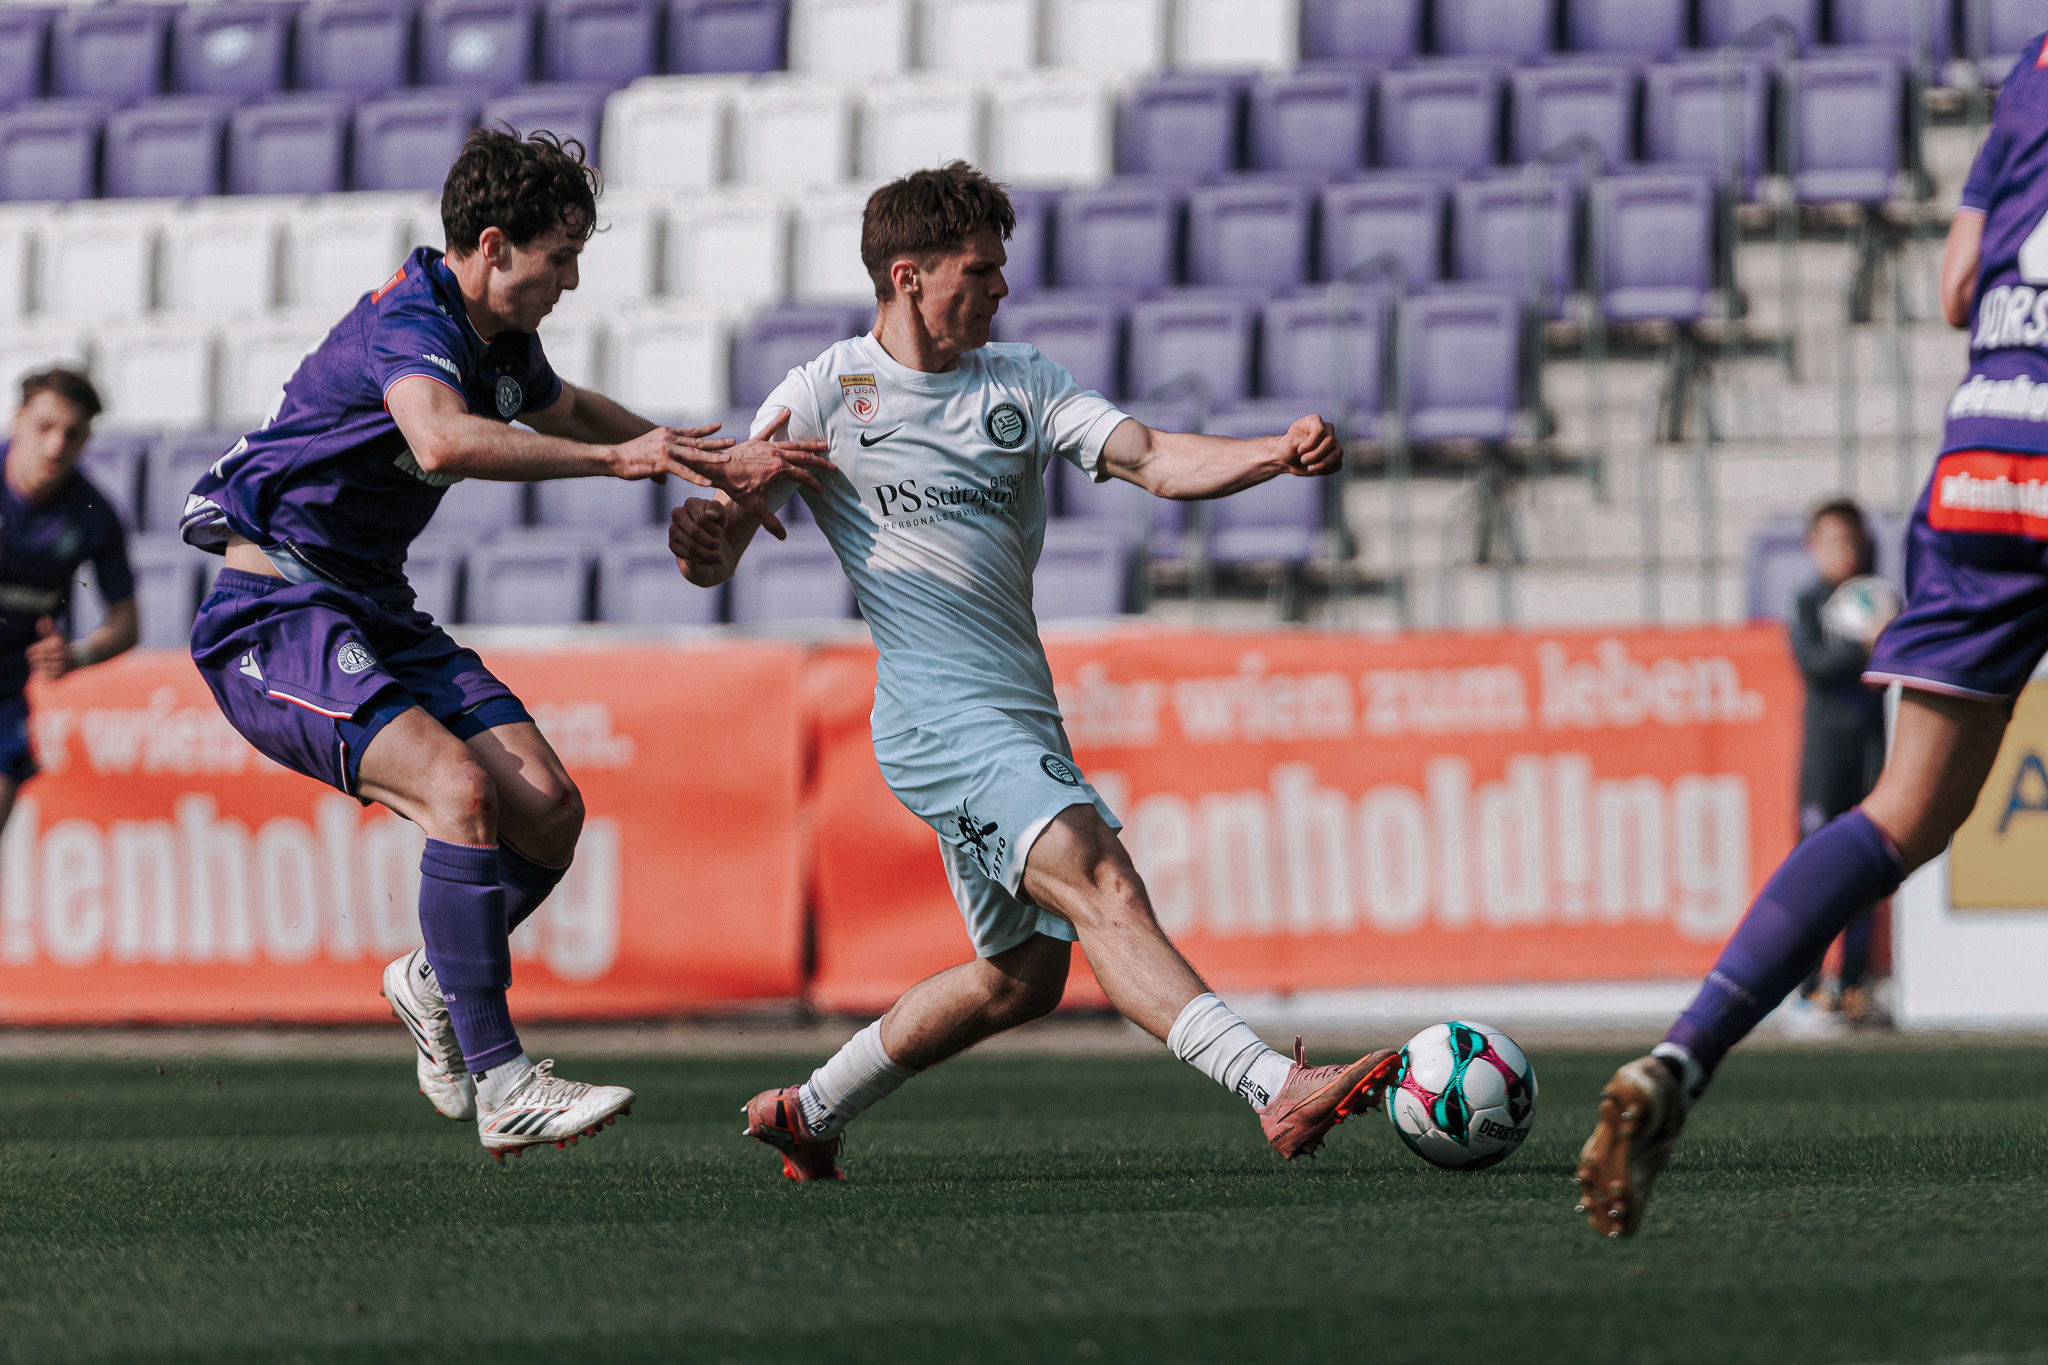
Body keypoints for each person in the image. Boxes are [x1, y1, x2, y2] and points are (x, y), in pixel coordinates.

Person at [667, 162, 1397, 1183]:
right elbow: (721, 542)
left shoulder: (1021, 382)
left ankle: (809, 1110)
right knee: (1102, 876)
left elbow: (1151, 459)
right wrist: (704, 535)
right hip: (935, 720)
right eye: (982, 270)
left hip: (1017, 719)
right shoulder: (826, 391)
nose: (1002, 288)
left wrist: (1271, 452)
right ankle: (1272, 1089)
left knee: (1018, 980)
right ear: (909, 275)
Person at [180, 128, 832, 1160]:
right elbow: (439, 437)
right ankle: (501, 1082)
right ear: (492, 246)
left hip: (371, 605)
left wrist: (710, 464)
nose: (569, 282)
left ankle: (430, 980)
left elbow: (564, 406)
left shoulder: (498, 340)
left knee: (550, 814)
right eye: (558, 259)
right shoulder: (411, 319)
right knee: (459, 792)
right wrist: (621, 462)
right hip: (275, 614)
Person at [1575, 37, 2048, 1238]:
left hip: (1983, 454)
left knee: (1896, 816)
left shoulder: (2029, 75)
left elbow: (1955, 288)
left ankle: (1683, 1055)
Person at [0, 368, 140, 827]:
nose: (56, 445)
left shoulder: (94, 515)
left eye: (72, 433)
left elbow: (126, 624)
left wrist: (76, 655)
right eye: (45, 427)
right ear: (16, 420)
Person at [1785, 500, 1890, 1023]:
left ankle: (1852, 985)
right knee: (1813, 870)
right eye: (1831, 541)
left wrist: (1881, 643)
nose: (1841, 551)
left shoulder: (1881, 598)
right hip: (1826, 753)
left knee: (1867, 869)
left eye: (1849, 540)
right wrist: (1865, 647)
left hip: (1872, 748)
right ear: (1812, 545)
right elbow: (1814, 665)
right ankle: (1804, 987)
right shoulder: (1808, 605)